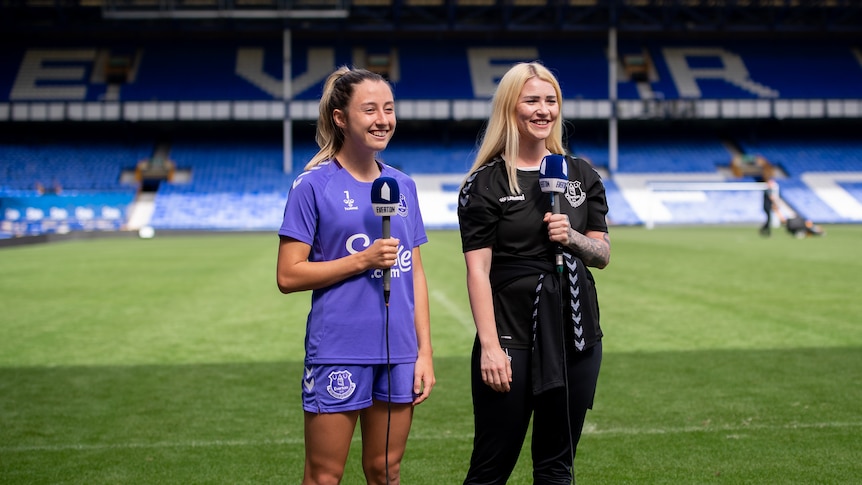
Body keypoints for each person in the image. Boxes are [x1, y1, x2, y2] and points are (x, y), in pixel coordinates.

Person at [276, 66, 435, 485]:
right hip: (339, 349)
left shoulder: (403, 185)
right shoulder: (312, 185)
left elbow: (414, 273)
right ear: (340, 118)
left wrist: (425, 353)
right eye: (370, 110)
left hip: (398, 351)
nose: (383, 119)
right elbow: (288, 275)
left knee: (386, 469)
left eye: (389, 108)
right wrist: (361, 261)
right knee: (325, 474)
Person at [457, 61, 611, 484]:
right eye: (532, 100)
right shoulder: (484, 183)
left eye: (551, 100)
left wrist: (573, 240)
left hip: (575, 334)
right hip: (511, 337)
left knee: (557, 468)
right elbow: (477, 271)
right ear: (510, 107)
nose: (544, 110)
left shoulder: (581, 174)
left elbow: (602, 253)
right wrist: (490, 346)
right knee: (491, 468)